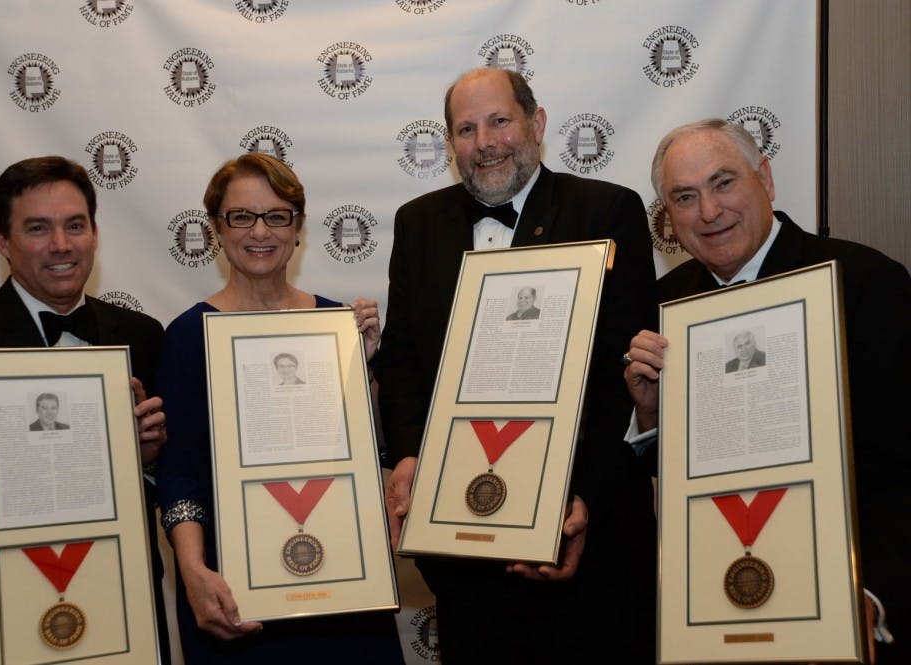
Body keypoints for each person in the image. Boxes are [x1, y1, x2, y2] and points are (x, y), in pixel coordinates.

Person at [374, 67, 658, 663]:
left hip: (585, 543)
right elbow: (402, 362)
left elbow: (625, 381)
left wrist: (583, 500)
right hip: (465, 556)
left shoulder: (606, 210)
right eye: (467, 129)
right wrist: (404, 455)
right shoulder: (418, 224)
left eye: (500, 121)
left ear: (537, 123)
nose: (484, 142)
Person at [623, 118, 910, 664]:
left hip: (844, 607)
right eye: (685, 196)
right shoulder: (660, 311)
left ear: (767, 180)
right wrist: (648, 413)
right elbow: (664, 482)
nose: (709, 212)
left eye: (724, 183)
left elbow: (900, 464)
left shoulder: (865, 282)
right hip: (706, 611)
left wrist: (871, 592)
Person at [0, 156, 171, 665]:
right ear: (3, 242)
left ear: (95, 233)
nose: (61, 245)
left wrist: (148, 459)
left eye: (75, 225)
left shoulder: (142, 337)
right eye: (38, 228)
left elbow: (166, 484)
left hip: (122, 610)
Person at [155, 153, 403, 663]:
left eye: (276, 216)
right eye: (241, 216)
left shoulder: (339, 325)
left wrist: (368, 371)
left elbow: (371, 452)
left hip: (343, 581)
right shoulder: (186, 335)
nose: (259, 231)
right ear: (216, 229)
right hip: (237, 590)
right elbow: (179, 475)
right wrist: (193, 572)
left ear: (299, 227)